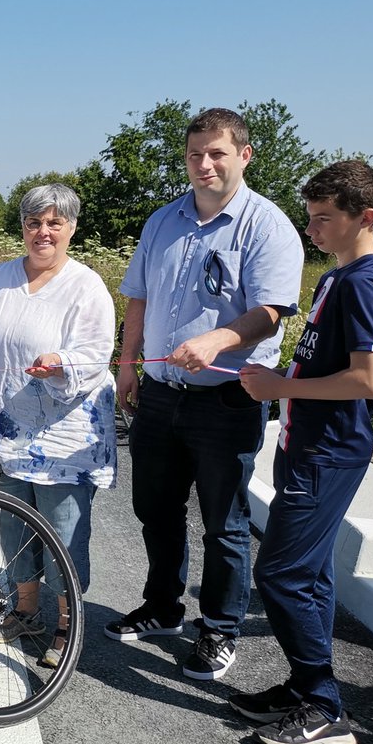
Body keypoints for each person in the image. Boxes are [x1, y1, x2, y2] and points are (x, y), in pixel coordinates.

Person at [106, 108, 304, 681]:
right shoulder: (163, 221)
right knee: (155, 509)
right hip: (163, 393)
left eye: (217, 153)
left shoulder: (267, 227)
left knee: (225, 523)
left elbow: (270, 313)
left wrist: (219, 339)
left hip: (228, 398)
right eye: (195, 154)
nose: (204, 164)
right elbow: (138, 297)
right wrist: (127, 364)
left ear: (243, 155)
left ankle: (218, 630)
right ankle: (163, 607)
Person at [231, 160, 373, 744]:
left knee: (280, 574)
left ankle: (326, 709)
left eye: (325, 219)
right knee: (315, 572)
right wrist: (283, 377)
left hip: (328, 453)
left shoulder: (363, 283)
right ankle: (306, 688)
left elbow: (369, 380)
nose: (313, 229)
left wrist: (282, 390)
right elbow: (326, 365)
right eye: (310, 218)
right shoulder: (336, 276)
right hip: (305, 445)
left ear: (366, 218)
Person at [0, 184, 116, 668]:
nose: (42, 232)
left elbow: (94, 354)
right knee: (12, 525)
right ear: (22, 227)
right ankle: (25, 610)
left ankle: (68, 624)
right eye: (33, 222)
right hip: (9, 430)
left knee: (64, 532)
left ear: (71, 228)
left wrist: (60, 363)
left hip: (65, 439)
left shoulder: (86, 286)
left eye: (54, 223)